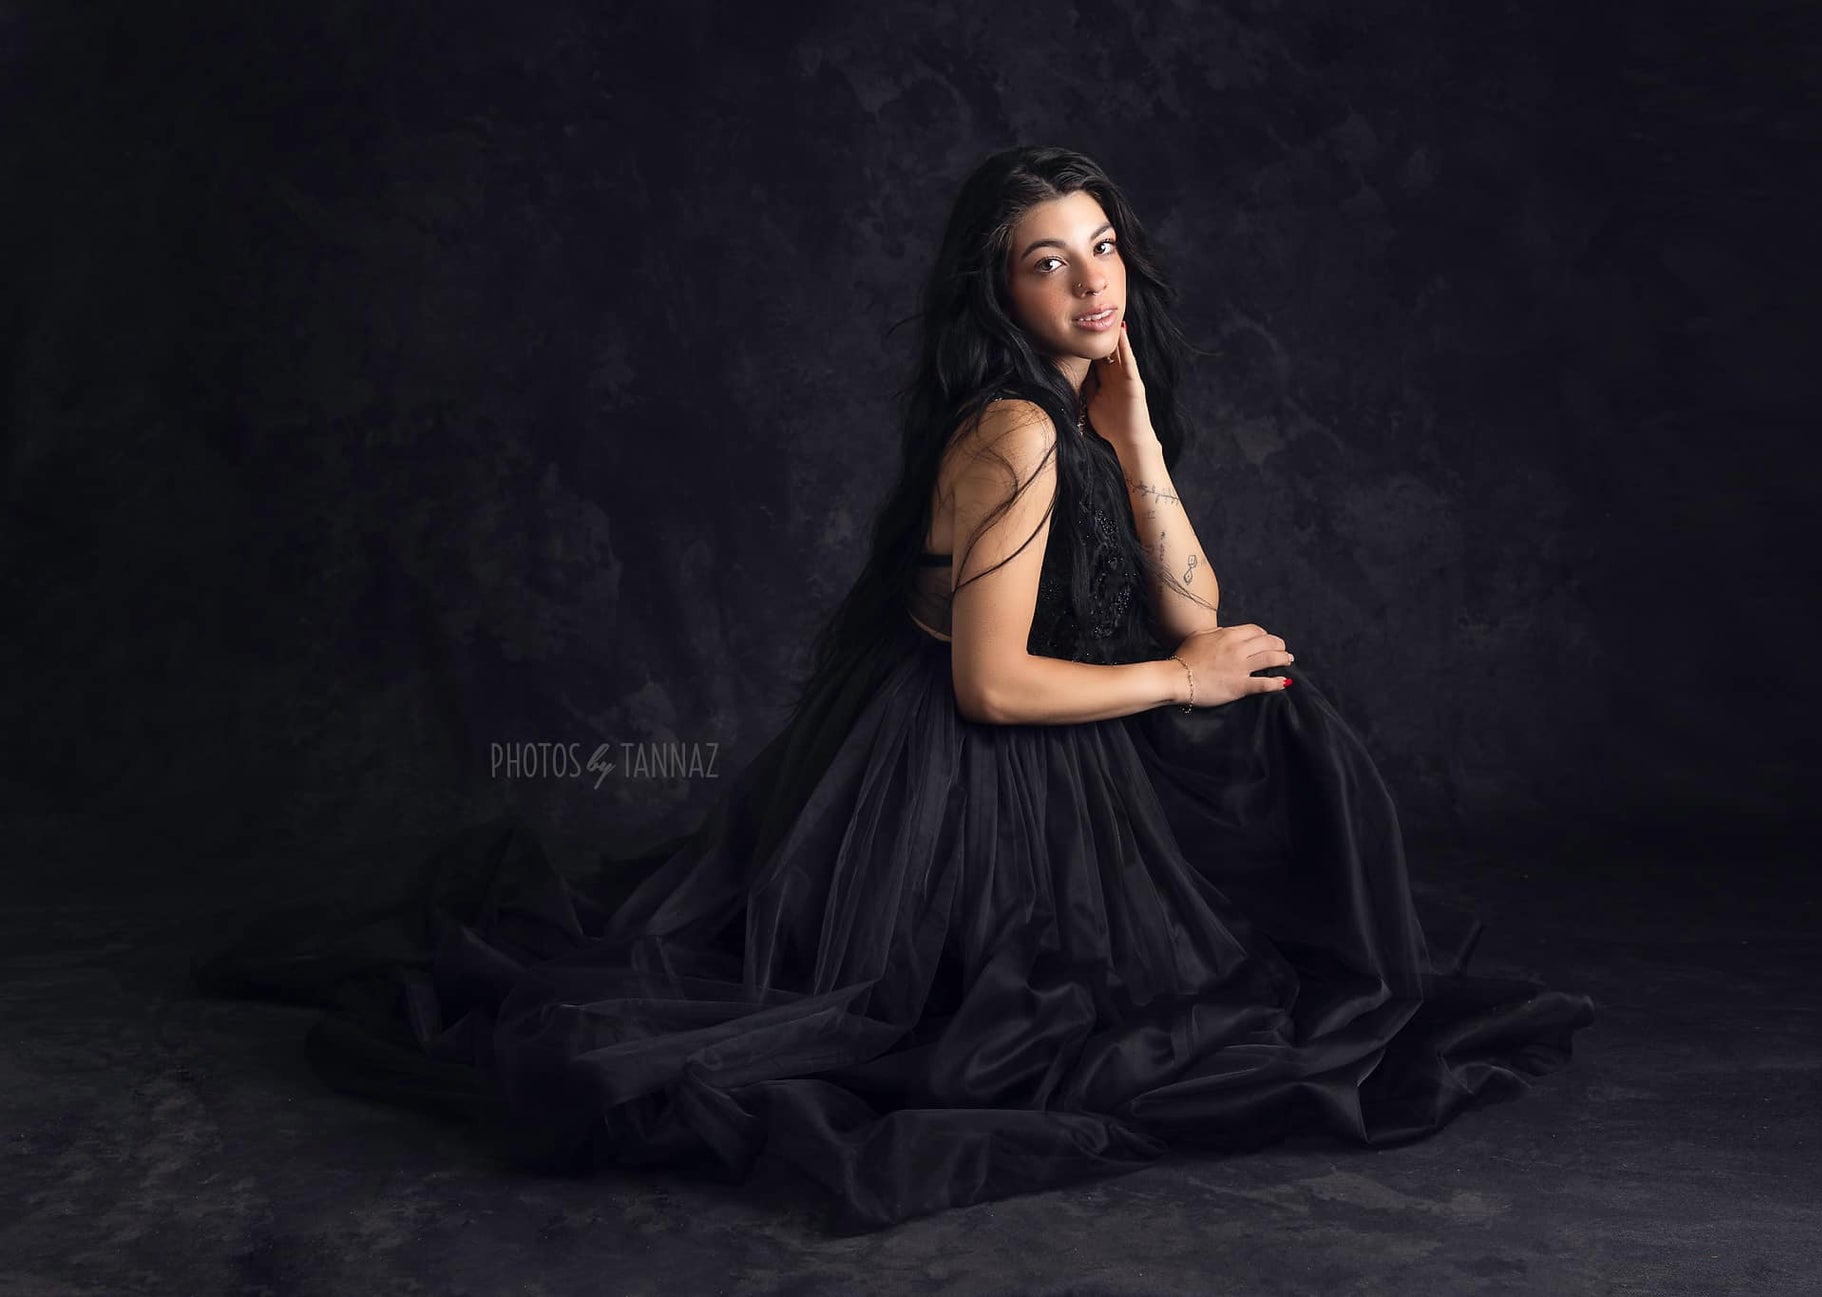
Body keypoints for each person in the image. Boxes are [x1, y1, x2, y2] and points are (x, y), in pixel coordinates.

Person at [192, 144, 1597, 1235]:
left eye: (1102, 247)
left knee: (1275, 709)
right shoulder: (1013, 433)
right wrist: (1178, 676)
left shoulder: (1085, 413)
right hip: (960, 775)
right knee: (1094, 956)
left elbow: (1195, 606)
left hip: (1061, 743)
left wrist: (1141, 440)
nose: (1090, 285)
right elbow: (991, 685)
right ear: (999, 293)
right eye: (1048, 264)